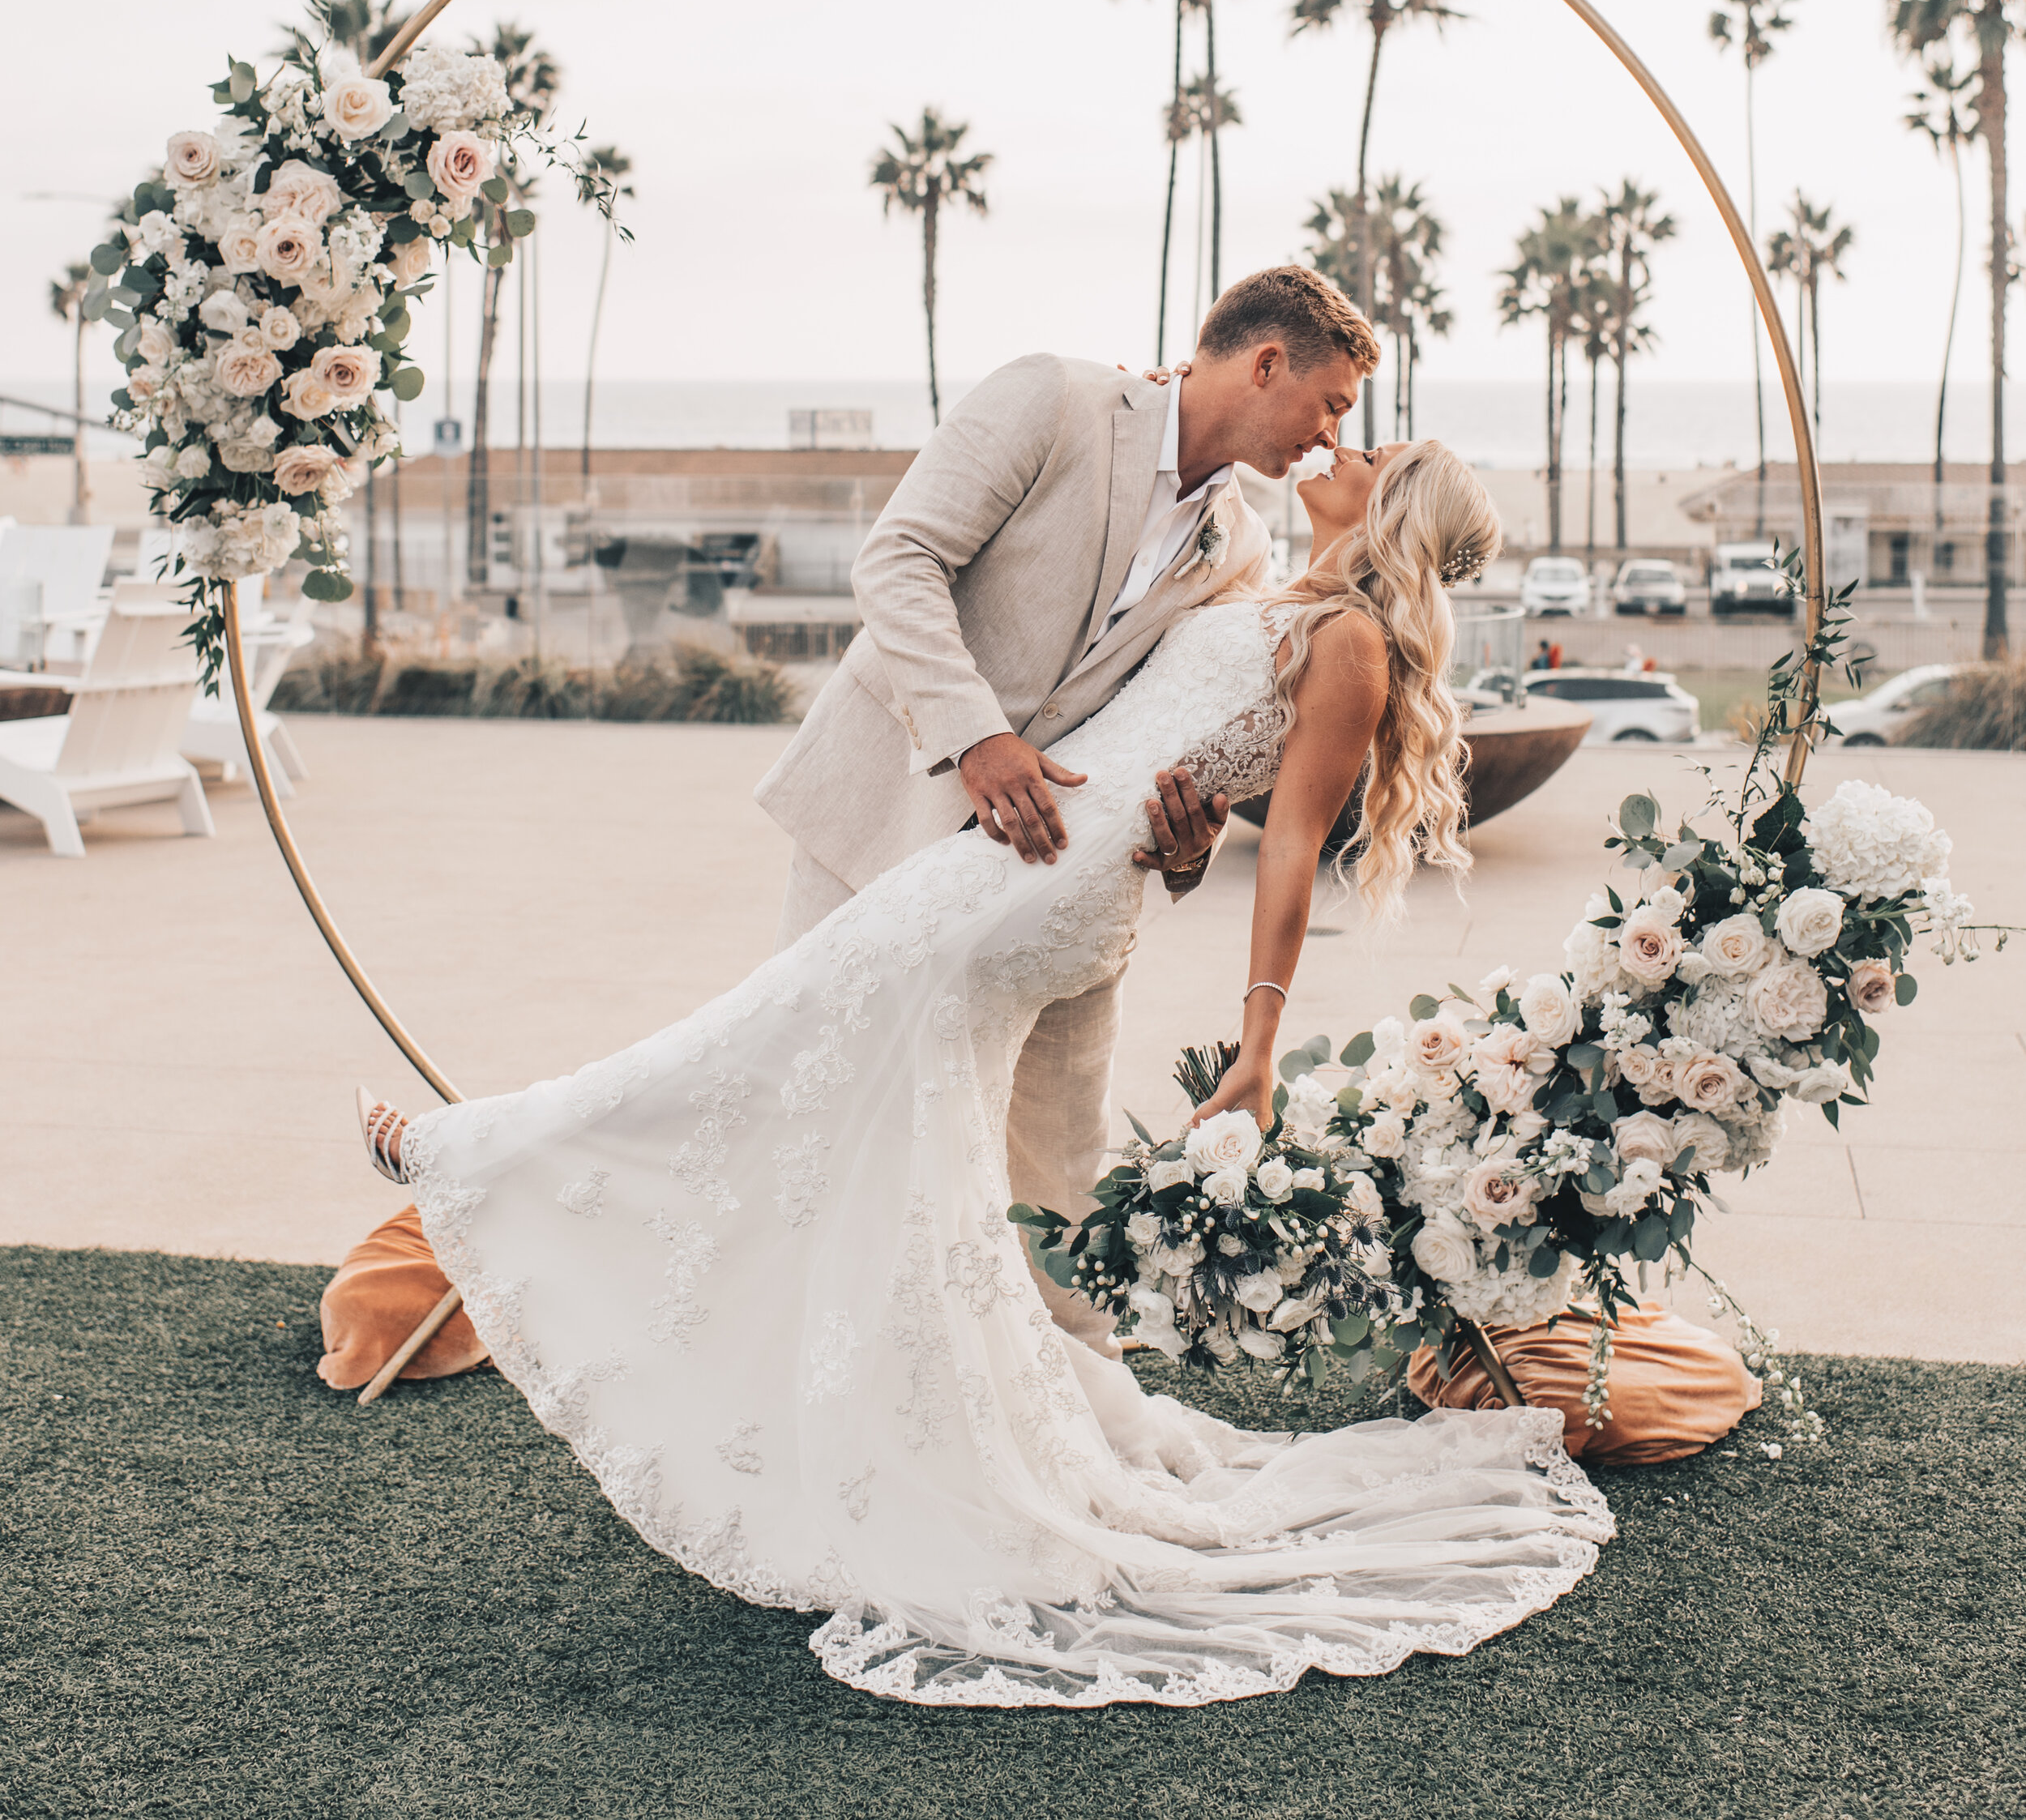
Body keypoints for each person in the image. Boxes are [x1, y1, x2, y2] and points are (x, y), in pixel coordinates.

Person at [358, 437, 1611, 1707]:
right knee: (840, 1073)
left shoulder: (1347, 641)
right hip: (1022, 852)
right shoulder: (1265, 580)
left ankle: (470, 1152)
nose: (1347, 443)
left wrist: (1261, 1041)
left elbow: (1288, 847)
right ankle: (892, 1422)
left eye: (1376, 445)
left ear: (1394, 504)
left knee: (788, 1022)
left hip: (1049, 889)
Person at [755, 264, 1374, 1344]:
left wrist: (1187, 845)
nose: (1327, 440)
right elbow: (898, 560)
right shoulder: (1054, 398)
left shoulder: (1243, 546)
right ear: (1267, 362)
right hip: (886, 815)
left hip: (1056, 883)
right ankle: (810, 1355)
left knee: (1061, 1167)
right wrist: (977, 736)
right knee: (823, 1098)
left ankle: (1072, 1391)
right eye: (1330, 404)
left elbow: (1165, 726)